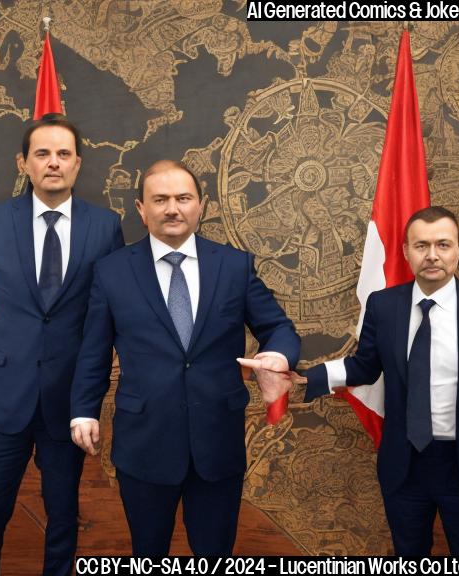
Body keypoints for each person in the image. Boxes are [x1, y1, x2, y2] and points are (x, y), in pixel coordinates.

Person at [70, 159, 299, 556]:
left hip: (218, 442)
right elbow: (93, 349)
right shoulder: (111, 272)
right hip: (144, 443)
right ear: (141, 210)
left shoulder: (234, 266)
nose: (172, 208)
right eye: (160, 199)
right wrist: (83, 411)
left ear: (201, 205)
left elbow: (278, 328)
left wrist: (276, 355)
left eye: (183, 198)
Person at [0, 113, 124, 575]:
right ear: (24, 163)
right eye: (43, 154)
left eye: (63, 154)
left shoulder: (105, 226)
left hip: (68, 399)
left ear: (78, 164)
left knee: (63, 519)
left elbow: (107, 313)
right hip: (1, 398)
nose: (54, 163)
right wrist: (3, 352)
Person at [300, 206, 459, 555]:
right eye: (421, 245)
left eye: (443, 244)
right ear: (406, 252)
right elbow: (364, 367)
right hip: (405, 464)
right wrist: (307, 379)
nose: (432, 255)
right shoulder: (384, 305)